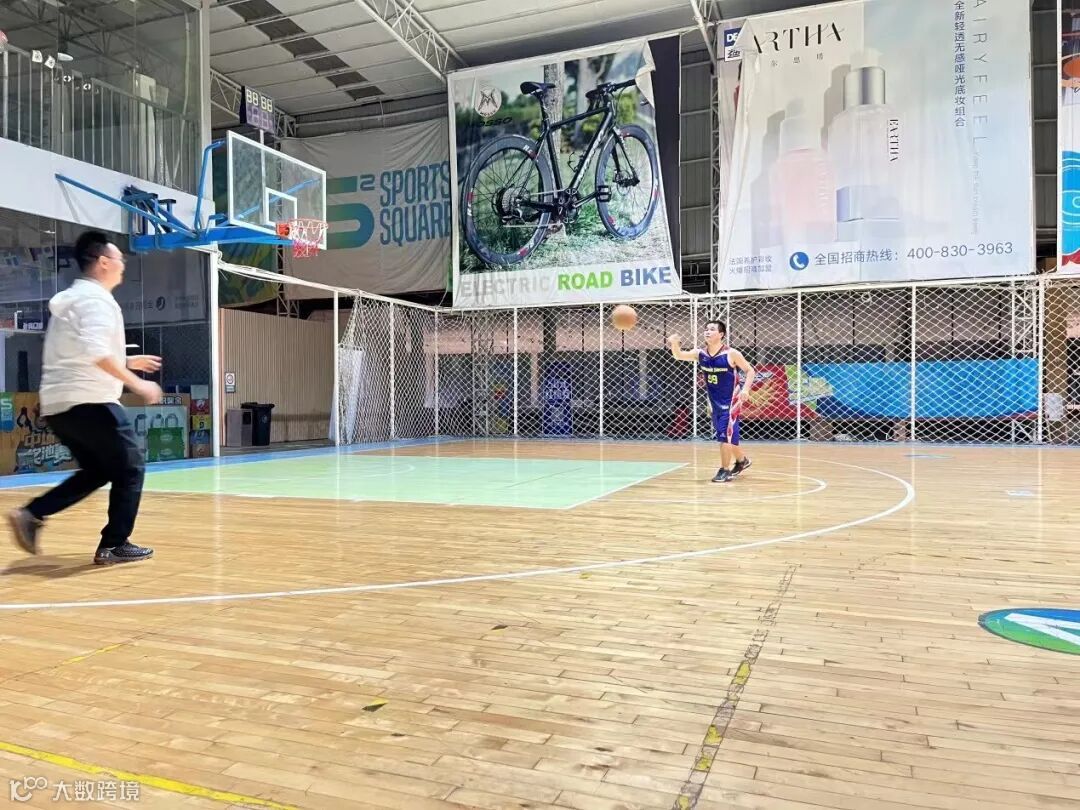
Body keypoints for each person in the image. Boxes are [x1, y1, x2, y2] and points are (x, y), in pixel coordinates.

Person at [8, 230, 163, 564]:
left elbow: (79, 351)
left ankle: (31, 514)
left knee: (98, 469)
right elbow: (95, 352)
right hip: (90, 400)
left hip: (58, 405)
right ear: (104, 262)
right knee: (131, 465)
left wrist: (126, 360)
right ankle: (114, 545)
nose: (123, 264)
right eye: (119, 258)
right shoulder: (96, 301)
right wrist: (138, 383)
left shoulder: (72, 300)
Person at [669, 320, 756, 483]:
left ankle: (725, 470)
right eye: (706, 329)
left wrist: (746, 389)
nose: (707, 332)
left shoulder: (731, 353)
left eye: (712, 329)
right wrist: (674, 344)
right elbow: (679, 355)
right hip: (714, 402)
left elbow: (750, 370)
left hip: (731, 401)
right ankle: (742, 461)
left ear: (721, 334)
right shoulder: (700, 353)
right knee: (729, 436)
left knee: (724, 436)